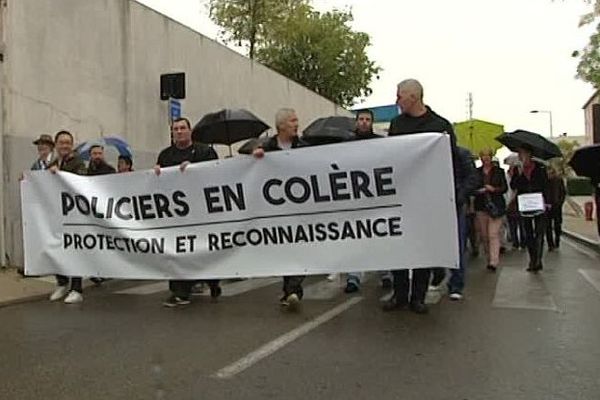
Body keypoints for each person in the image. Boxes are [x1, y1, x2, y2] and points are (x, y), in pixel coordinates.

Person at [383, 78, 457, 314]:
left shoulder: (441, 126)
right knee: (400, 247)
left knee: (424, 248)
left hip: (428, 197)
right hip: (402, 195)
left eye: (399, 95)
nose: (396, 100)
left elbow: (450, 160)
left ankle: (418, 297)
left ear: (413, 97)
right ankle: (400, 293)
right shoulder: (396, 124)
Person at [155, 117, 221, 307]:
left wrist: (195, 170)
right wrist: (157, 173)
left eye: (183, 128)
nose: (179, 131)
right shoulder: (165, 155)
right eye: (176, 129)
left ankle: (213, 280)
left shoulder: (205, 151)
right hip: (176, 215)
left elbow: (216, 173)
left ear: (190, 131)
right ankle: (179, 291)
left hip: (201, 211)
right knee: (177, 251)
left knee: (203, 250)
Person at [253, 108, 306, 310]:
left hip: (300, 208)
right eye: (293, 120)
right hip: (276, 210)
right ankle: (289, 290)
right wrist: (255, 158)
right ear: (281, 125)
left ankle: (293, 290)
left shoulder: (304, 147)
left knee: (299, 247)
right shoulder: (266, 148)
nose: (297, 124)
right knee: (285, 249)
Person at [343, 109, 393, 293]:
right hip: (354, 199)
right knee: (354, 237)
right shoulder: (345, 144)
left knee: (380, 234)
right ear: (356, 122)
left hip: (375, 197)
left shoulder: (380, 143)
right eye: (361, 119)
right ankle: (353, 277)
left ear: (372, 122)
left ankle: (386, 272)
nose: (364, 122)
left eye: (367, 119)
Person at [47, 130, 87, 304]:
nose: (64, 145)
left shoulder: (78, 163)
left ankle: (76, 288)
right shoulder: (54, 162)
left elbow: (80, 182)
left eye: (67, 143)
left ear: (72, 145)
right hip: (57, 214)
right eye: (61, 142)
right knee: (57, 248)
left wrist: (61, 174)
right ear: (56, 145)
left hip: (74, 215)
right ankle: (62, 282)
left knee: (75, 250)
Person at [510, 146, 549, 272]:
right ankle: (532, 258)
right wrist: (516, 174)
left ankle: (537, 259)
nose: (521, 156)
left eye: (523, 154)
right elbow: (514, 186)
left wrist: (547, 201)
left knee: (539, 231)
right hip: (525, 203)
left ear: (529, 154)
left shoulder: (540, 167)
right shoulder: (517, 169)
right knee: (528, 233)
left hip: (538, 202)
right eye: (519, 154)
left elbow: (545, 184)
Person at [473, 148, 508, 272]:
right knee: (484, 235)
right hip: (481, 206)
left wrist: (493, 189)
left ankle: (494, 261)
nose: (485, 158)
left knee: (493, 234)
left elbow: (504, 188)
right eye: (483, 155)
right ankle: (489, 257)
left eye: (487, 155)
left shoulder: (499, 171)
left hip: (496, 207)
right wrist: (479, 190)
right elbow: (471, 188)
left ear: (491, 157)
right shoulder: (476, 172)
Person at [545, 167, 566, 251]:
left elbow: (563, 192)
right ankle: (550, 244)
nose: (550, 174)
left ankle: (557, 240)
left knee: (557, 224)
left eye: (551, 172)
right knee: (548, 226)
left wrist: (560, 202)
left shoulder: (559, 180)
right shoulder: (544, 181)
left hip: (557, 206)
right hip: (547, 206)